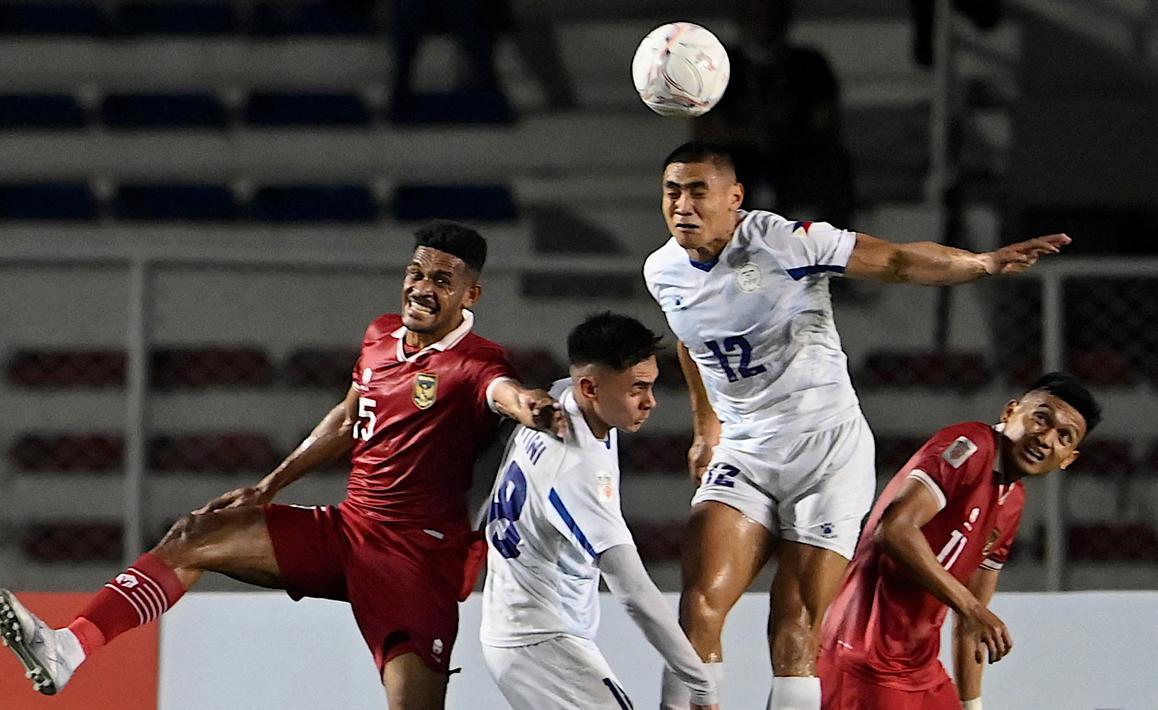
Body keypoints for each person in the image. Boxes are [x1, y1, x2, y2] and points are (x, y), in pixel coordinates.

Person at [0, 220, 565, 710]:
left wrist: (533, 406)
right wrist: (268, 486)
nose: (421, 288)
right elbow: (346, 421)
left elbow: (506, 393)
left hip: (415, 558)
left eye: (442, 280)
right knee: (196, 534)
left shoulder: (477, 362)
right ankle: (68, 648)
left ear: (472, 295)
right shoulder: (379, 336)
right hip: (347, 529)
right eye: (416, 273)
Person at [644, 141, 1070, 710]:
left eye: (699, 191)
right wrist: (707, 427)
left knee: (794, 622)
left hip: (827, 453)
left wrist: (983, 263)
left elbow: (893, 260)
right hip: (746, 451)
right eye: (673, 191)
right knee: (697, 605)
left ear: (735, 198)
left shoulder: (785, 241)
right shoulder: (662, 270)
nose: (683, 205)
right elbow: (690, 340)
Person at [818, 372, 1101, 709]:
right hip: (865, 660)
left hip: (920, 669)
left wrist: (972, 704)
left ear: (1068, 458)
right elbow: (894, 529)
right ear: (1010, 411)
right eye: (1041, 418)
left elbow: (972, 621)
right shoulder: (972, 445)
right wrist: (970, 607)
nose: (1045, 438)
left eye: (1064, 436)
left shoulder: (1012, 502)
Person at [480, 312, 718, 710]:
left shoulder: (560, 397)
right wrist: (702, 685)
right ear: (590, 387)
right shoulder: (577, 470)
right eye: (636, 389)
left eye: (652, 385)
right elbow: (634, 593)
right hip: (540, 643)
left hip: (526, 630)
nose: (650, 401)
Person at [694, 0, 854, 227]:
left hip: (795, 152)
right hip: (739, 156)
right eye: (755, 16)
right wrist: (748, 135)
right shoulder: (721, 64)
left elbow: (826, 122)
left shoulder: (809, 64)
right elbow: (705, 128)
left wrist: (782, 134)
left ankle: (832, 247)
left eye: (771, 16)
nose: (764, 25)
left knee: (833, 167)